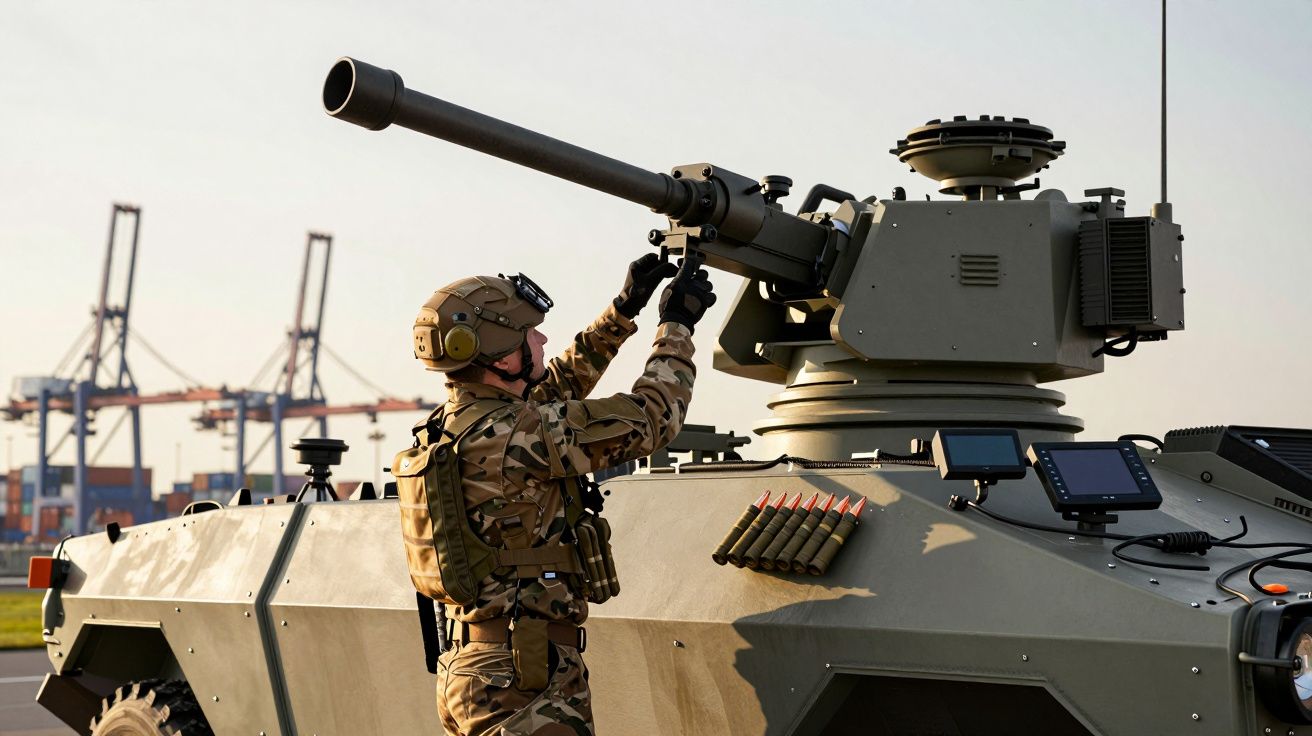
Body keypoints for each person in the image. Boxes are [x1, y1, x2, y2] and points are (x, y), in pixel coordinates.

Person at [410, 253, 715, 736]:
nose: (543, 339)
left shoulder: (457, 426)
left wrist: (623, 309)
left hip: (479, 667)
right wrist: (676, 327)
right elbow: (654, 416)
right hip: (523, 676)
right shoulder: (521, 433)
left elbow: (555, 386)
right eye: (530, 333)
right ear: (502, 354)